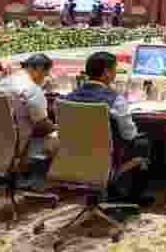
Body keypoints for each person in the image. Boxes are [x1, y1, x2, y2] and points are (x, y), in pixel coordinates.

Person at [63, 52, 153, 206]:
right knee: (143, 142)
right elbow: (129, 134)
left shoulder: (67, 98)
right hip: (105, 158)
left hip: (72, 157)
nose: (115, 74)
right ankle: (133, 197)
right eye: (114, 70)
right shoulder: (115, 99)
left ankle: (111, 190)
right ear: (106, 72)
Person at [0, 54, 59, 163]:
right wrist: (60, 128)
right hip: (21, 142)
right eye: (47, 72)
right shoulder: (32, 90)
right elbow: (42, 125)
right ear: (39, 69)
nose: (47, 76)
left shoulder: (3, 83)